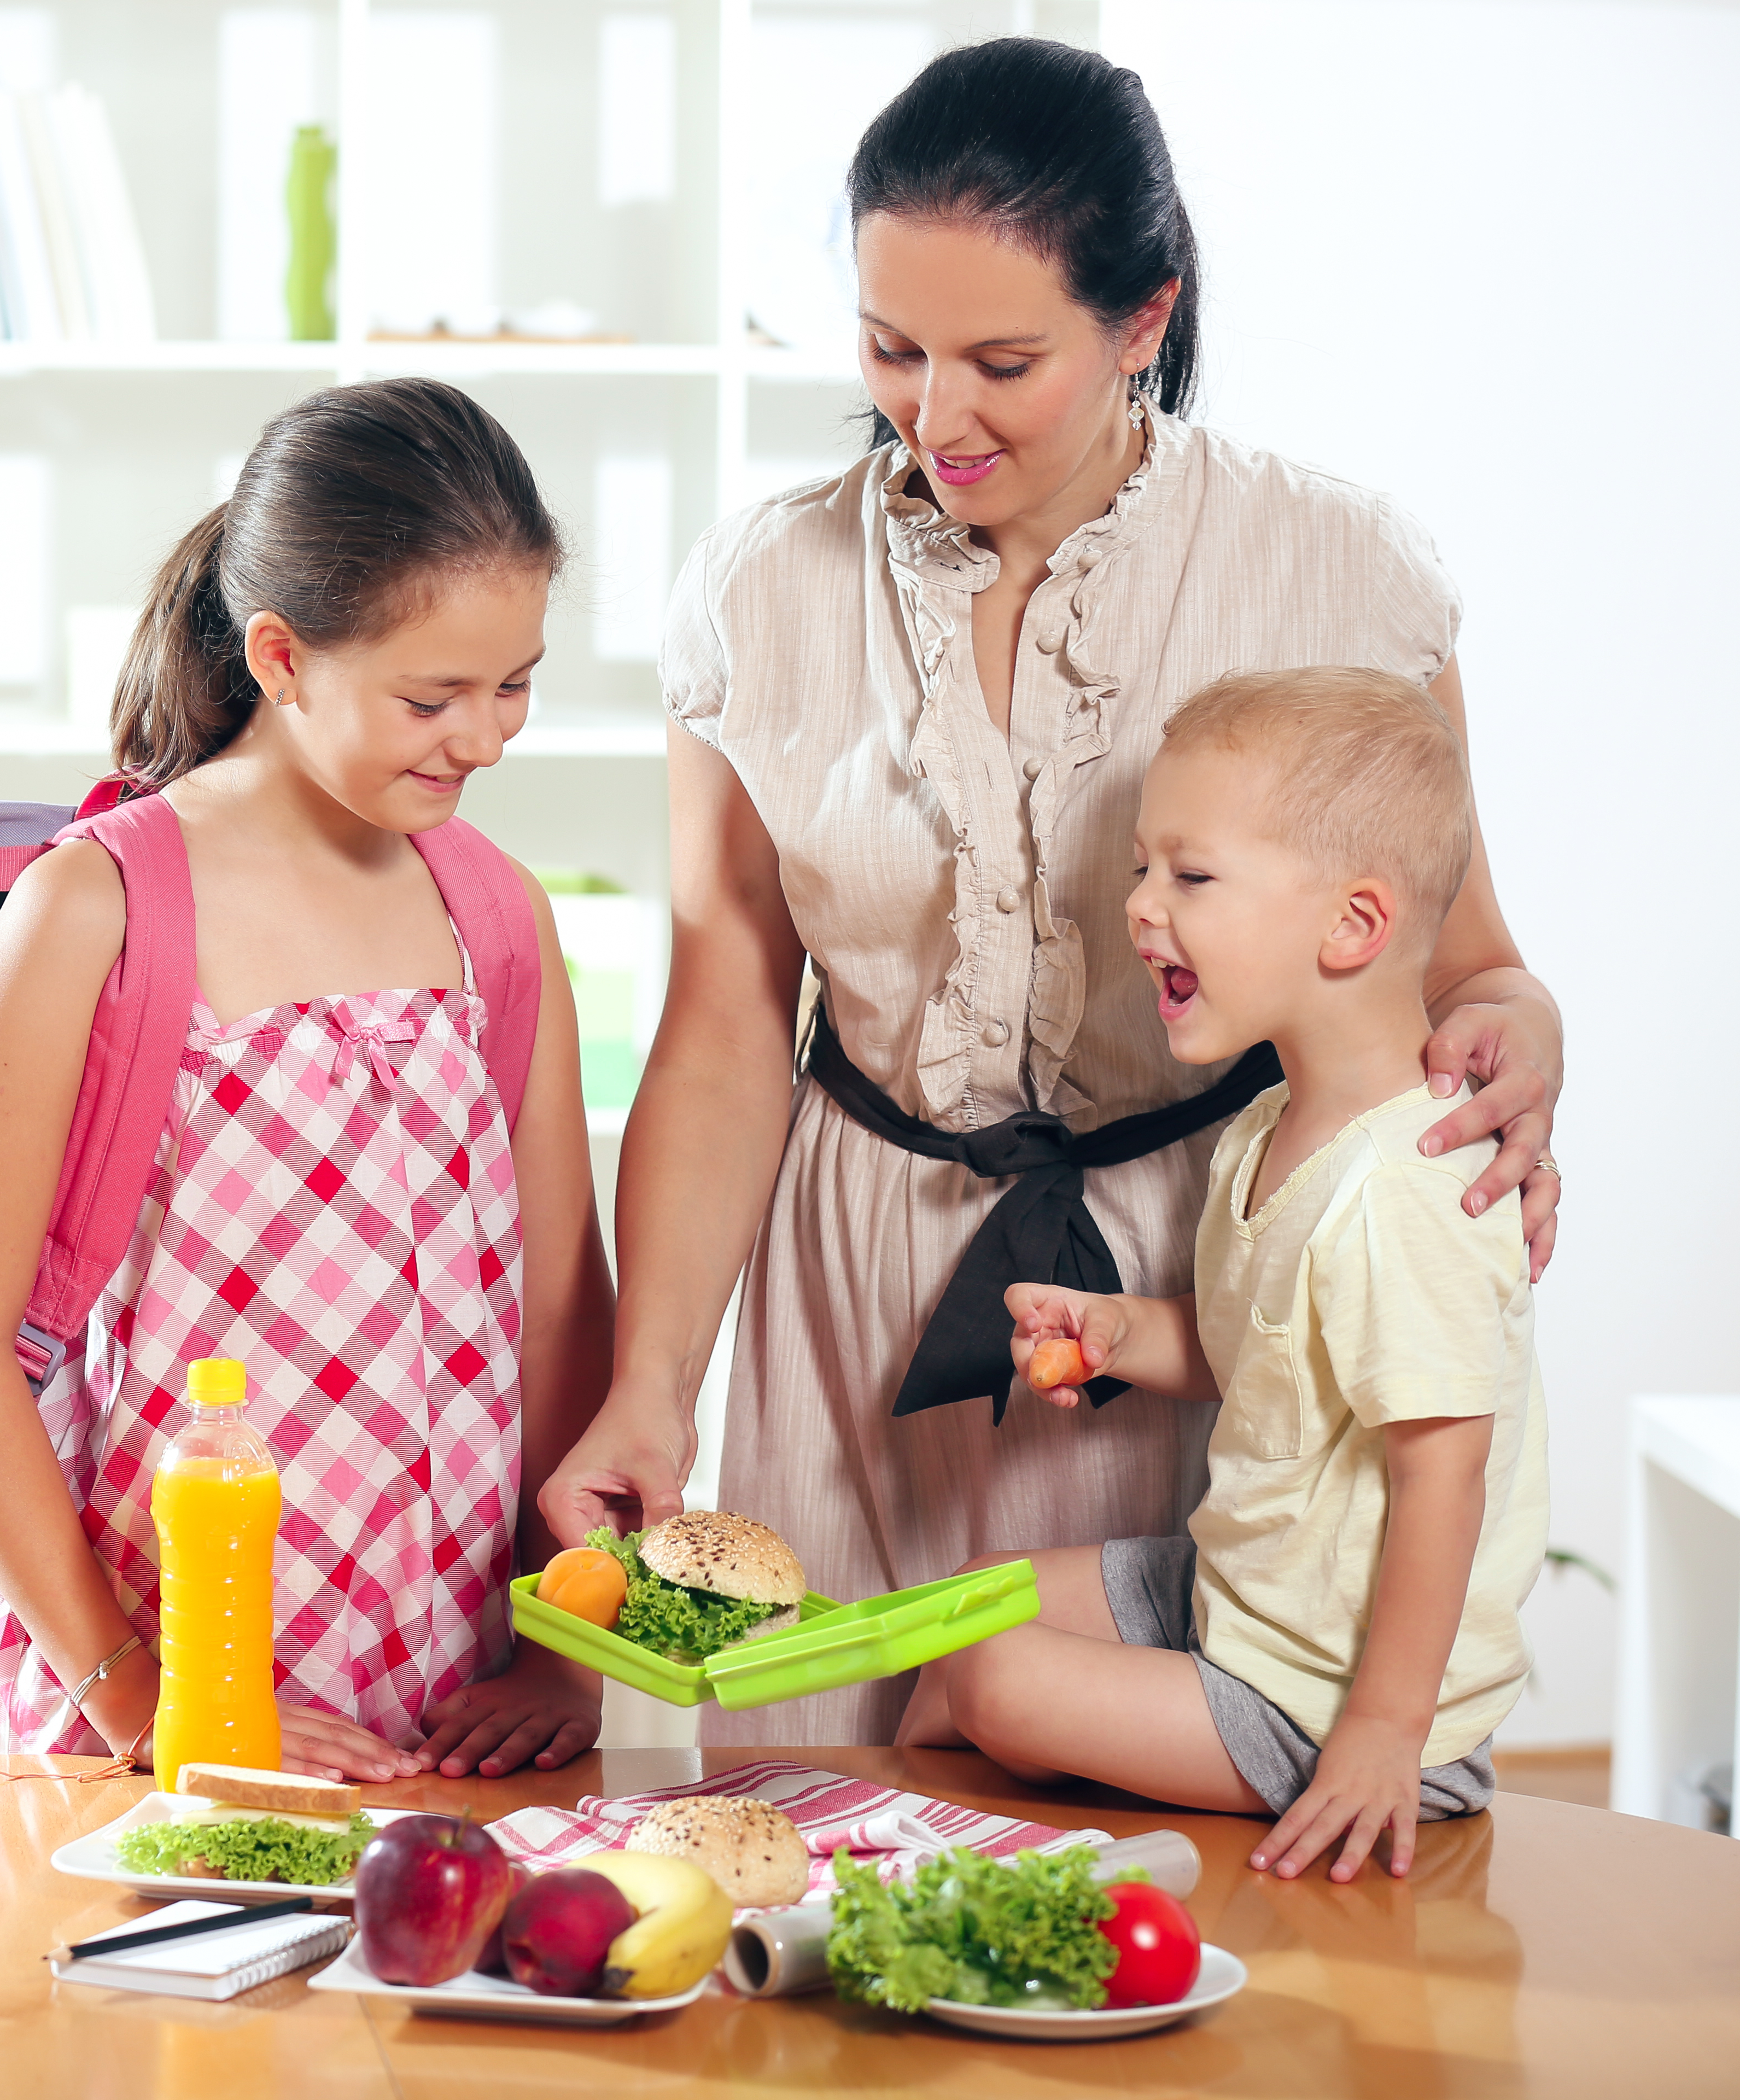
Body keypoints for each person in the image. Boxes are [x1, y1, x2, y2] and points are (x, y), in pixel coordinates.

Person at [540, 37, 1567, 1748]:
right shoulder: (759, 592)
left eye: (1002, 360)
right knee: (813, 1833)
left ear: (1144, 319)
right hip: (853, 1281)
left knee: (1165, 1882)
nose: (934, 416)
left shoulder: (1344, 571)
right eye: (889, 350)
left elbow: (1469, 964)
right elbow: (725, 1019)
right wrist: (654, 1390)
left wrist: (1522, 1034)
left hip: (1200, 1273)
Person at [0, 378, 613, 1783]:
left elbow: (557, 1311)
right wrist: (144, 1697)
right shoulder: (93, 911)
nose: (485, 737)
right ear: (280, 656)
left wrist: (563, 1650)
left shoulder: (500, 918)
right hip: (147, 1707)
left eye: (517, 682)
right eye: (431, 696)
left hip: (441, 1720)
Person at [894, 667, 1549, 1886]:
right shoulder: (1268, 1131)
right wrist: (1120, 1331)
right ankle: (911, 1861)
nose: (1143, 906)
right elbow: (1257, 1353)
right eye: (1145, 867)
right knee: (964, 1612)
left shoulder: (1408, 1187)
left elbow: (1443, 1472)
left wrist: (1380, 1737)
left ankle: (947, 1877)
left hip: (1333, 1700)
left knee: (990, 1671)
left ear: (1351, 925)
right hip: (1246, 1598)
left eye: (1190, 877)